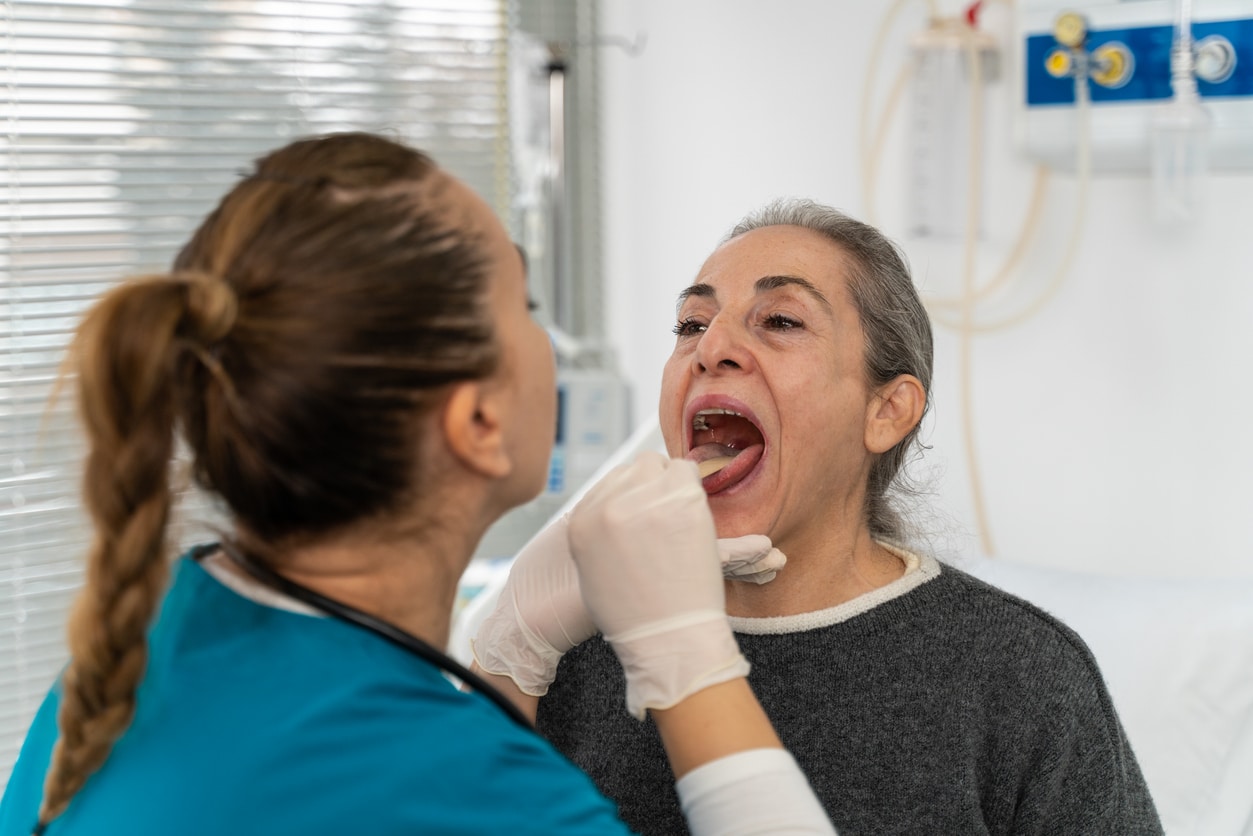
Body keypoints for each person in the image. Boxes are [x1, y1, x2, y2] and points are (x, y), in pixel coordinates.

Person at [0, 134, 837, 835]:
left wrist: (509, 641)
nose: (711, 349)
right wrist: (686, 661)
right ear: (476, 421)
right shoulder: (470, 791)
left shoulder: (137, 649)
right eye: (525, 302)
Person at [472, 199, 1165, 835]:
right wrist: (504, 658)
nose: (709, 346)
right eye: (690, 323)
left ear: (885, 410)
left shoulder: (1018, 674)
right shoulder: (578, 646)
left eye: (780, 320)